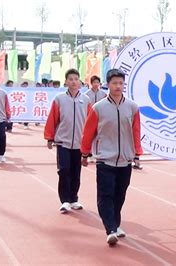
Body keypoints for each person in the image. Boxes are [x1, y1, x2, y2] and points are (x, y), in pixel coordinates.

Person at [81, 69, 142, 246]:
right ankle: (110, 229)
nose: (118, 86)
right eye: (115, 83)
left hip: (125, 160)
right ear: (108, 85)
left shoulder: (132, 107)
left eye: (121, 83)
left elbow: (136, 132)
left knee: (119, 195)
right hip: (105, 159)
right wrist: (85, 153)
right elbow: (88, 132)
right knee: (105, 195)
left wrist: (137, 153)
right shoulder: (98, 108)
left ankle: (115, 223)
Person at [44, 69, 92, 214]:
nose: (73, 81)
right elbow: (53, 118)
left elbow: (90, 123)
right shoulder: (59, 99)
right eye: (70, 79)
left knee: (76, 172)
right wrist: (50, 137)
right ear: (66, 81)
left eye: (76, 79)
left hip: (79, 143)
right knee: (64, 170)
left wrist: (90, 142)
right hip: (63, 142)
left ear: (80, 82)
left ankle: (73, 198)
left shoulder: (86, 100)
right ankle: (65, 200)